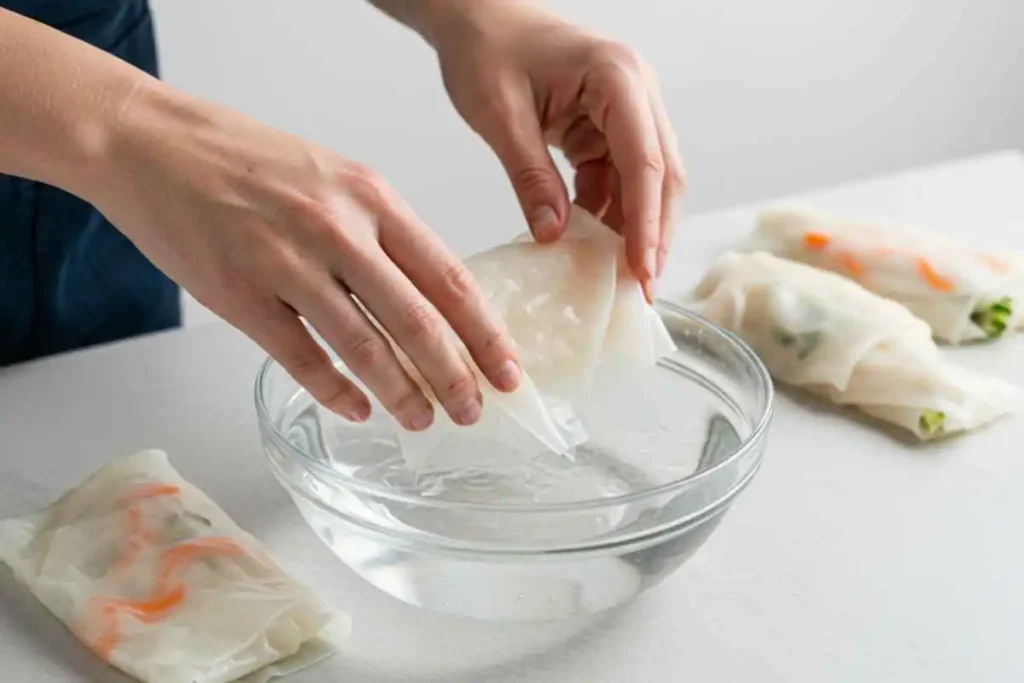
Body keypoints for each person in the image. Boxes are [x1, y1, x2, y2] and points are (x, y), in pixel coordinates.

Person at [0, 0, 685, 431]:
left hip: (93, 237)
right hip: (111, 143)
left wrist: (473, 12)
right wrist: (128, 132)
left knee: (92, 444)